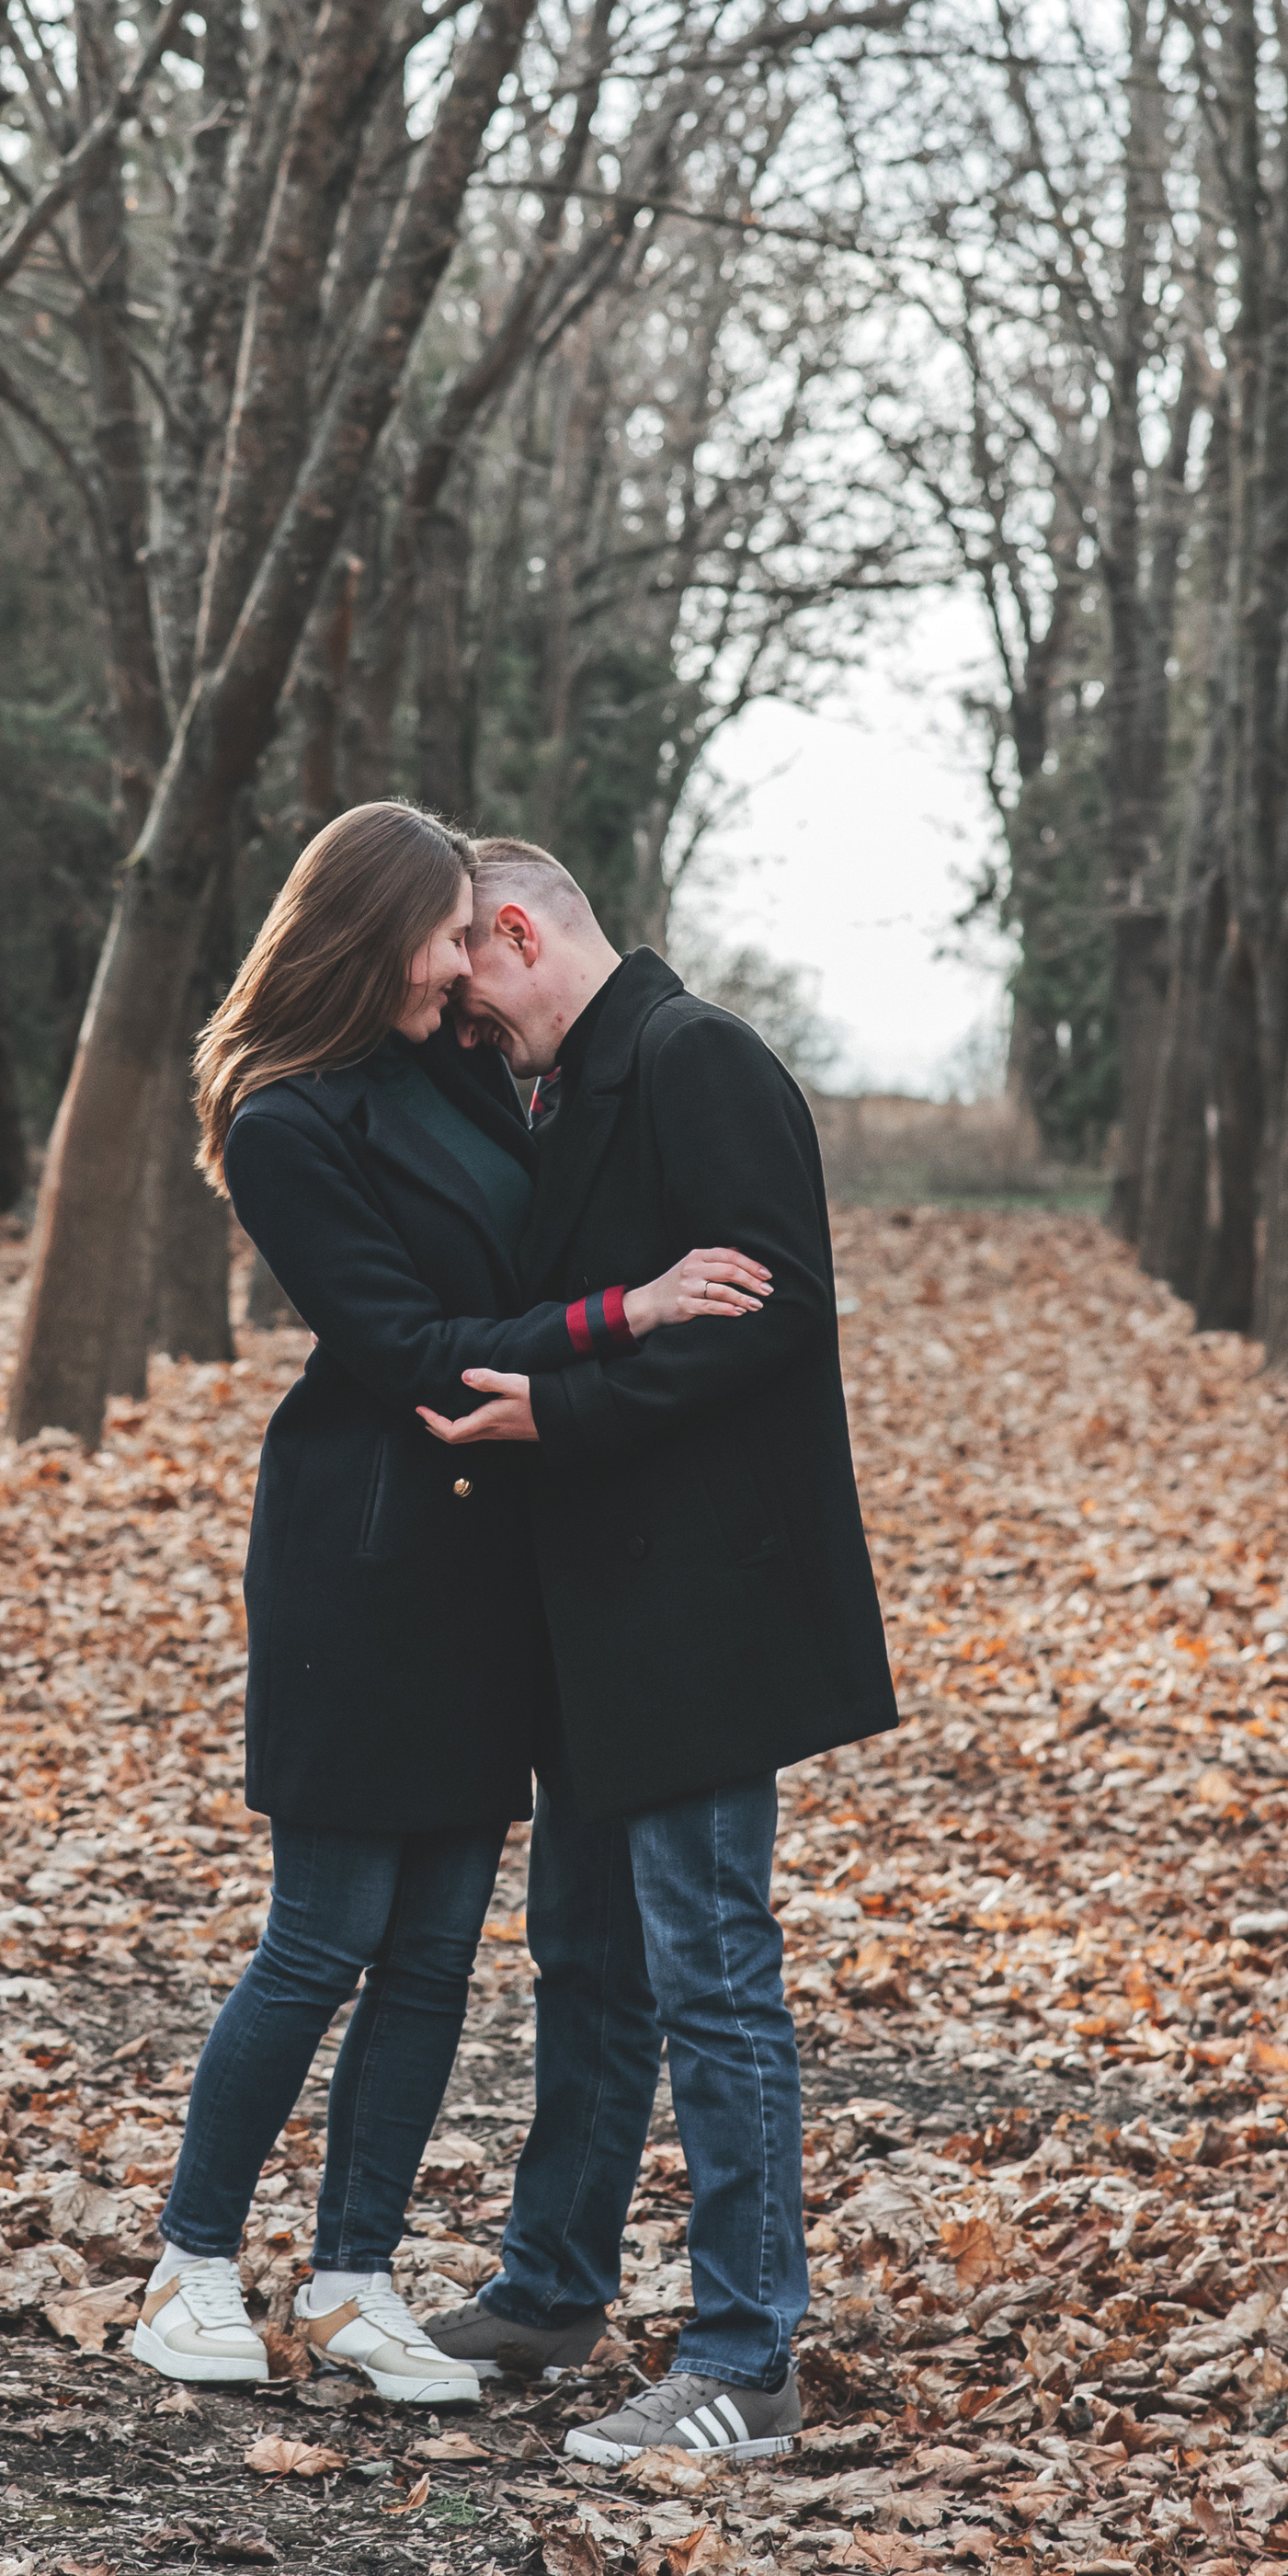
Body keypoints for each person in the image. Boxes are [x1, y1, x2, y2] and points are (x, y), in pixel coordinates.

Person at [129, 803, 770, 2409]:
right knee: (321, 1935)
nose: (459, 966)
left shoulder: (455, 1069)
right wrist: (630, 1311)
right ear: (375, 932)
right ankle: (190, 2263)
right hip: (360, 1562)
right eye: (441, 934)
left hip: (491, 1565)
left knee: (429, 1955)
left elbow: (535, 1238)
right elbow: (409, 1348)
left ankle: (353, 2276)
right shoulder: (282, 1120)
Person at [416, 838, 897, 2465]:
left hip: (701, 1608)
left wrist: (561, 1407)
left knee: (711, 1968)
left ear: (517, 928)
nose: (464, 1027)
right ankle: (553, 2286)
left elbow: (781, 1312)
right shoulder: (557, 1087)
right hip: (597, 1613)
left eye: (468, 991)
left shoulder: (698, 1058)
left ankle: (747, 2358)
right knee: (587, 1958)